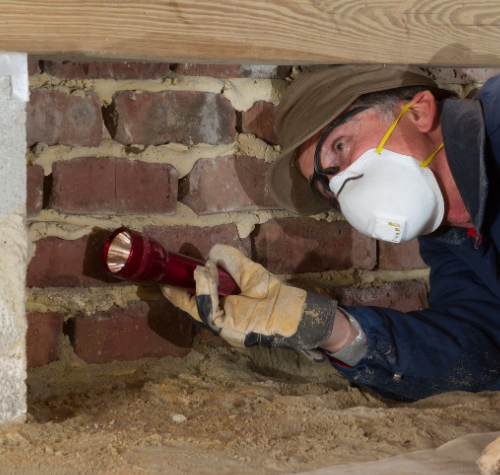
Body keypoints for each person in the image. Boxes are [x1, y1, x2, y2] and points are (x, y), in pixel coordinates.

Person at [162, 64, 500, 402]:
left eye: (340, 146)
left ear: (418, 112)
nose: (344, 185)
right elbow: (483, 350)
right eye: (329, 185)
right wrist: (329, 329)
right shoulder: (450, 239)